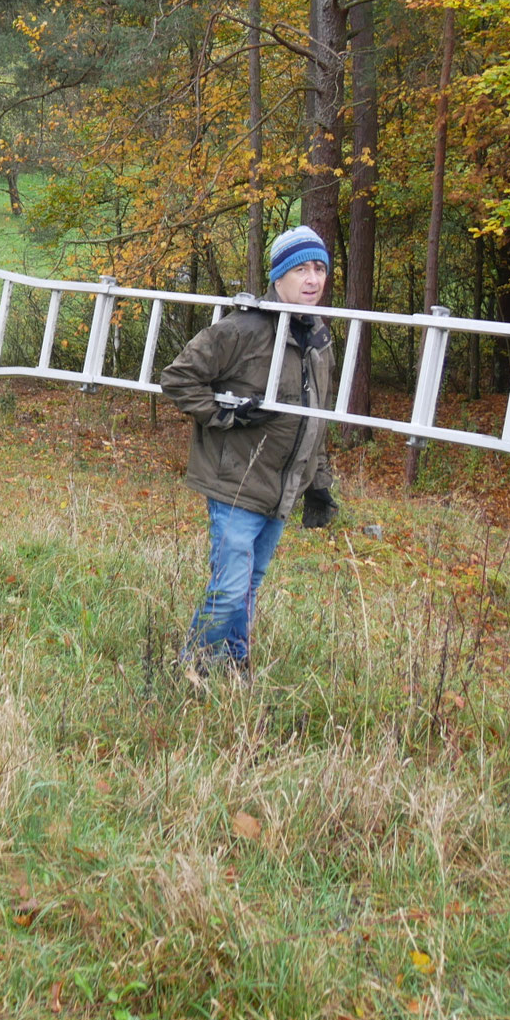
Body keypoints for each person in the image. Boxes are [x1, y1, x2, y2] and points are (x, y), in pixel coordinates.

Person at [160, 225, 339, 682]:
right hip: (235, 481)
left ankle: (234, 665)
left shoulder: (319, 339)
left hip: (280, 489)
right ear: (279, 277)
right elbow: (179, 378)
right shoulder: (242, 329)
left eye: (319, 269)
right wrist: (225, 417)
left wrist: (317, 481)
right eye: (301, 269)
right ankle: (194, 668)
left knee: (248, 588)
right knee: (230, 589)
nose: (312, 279)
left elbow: (315, 419)